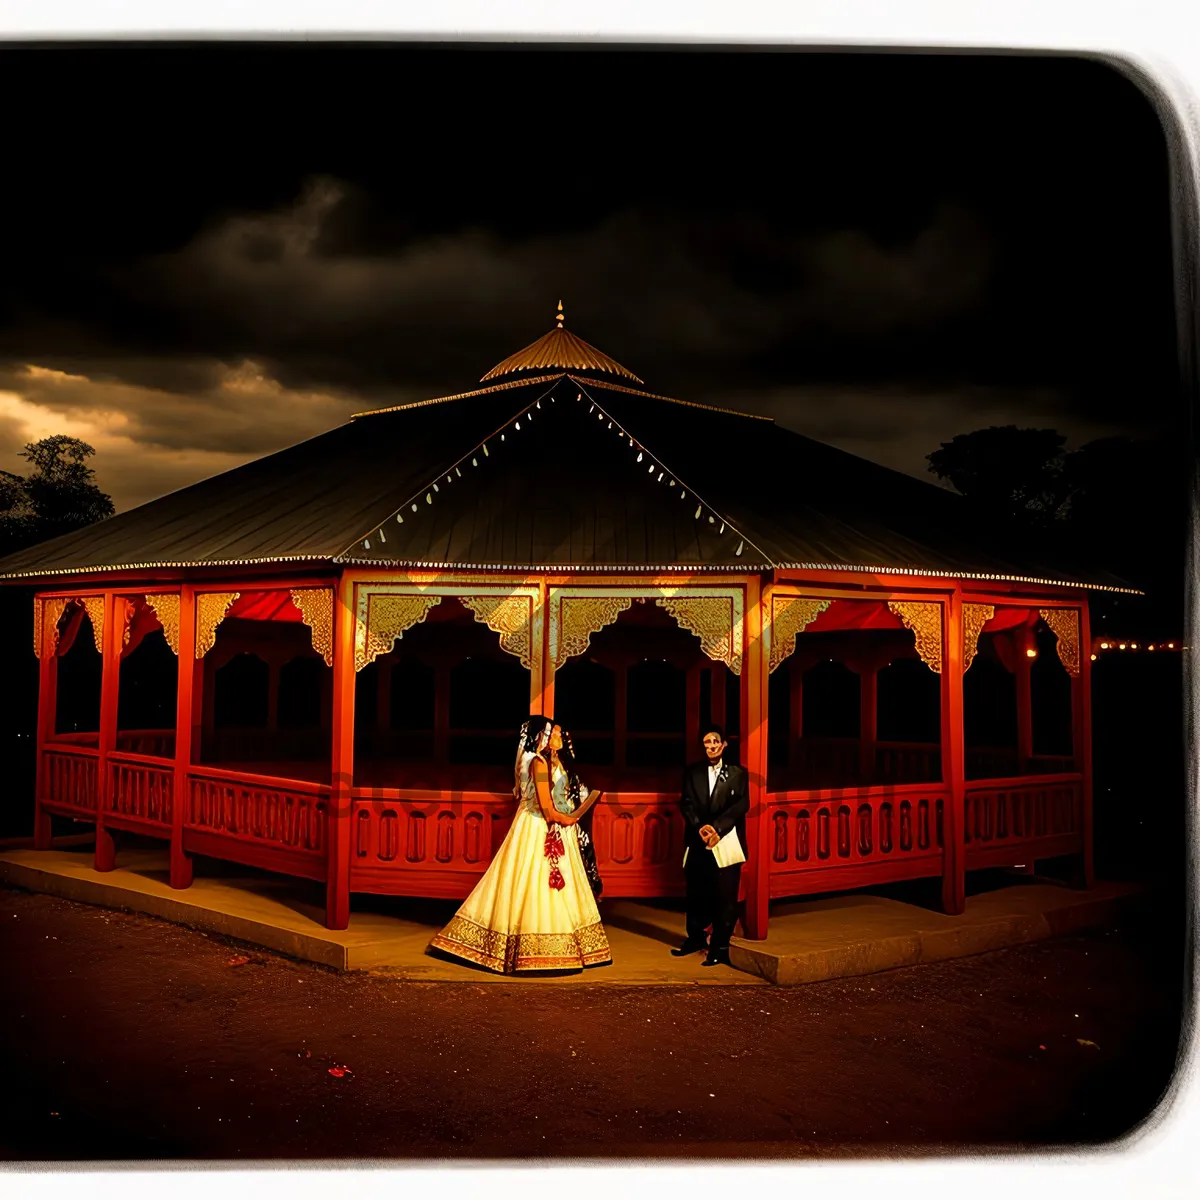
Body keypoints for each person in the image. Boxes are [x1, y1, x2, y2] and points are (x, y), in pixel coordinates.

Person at [429, 715, 612, 973]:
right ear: (540, 737)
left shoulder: (538, 761)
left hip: (542, 823)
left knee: (538, 882)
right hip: (537, 824)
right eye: (551, 734)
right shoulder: (537, 763)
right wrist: (570, 819)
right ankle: (535, 948)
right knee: (536, 881)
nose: (554, 738)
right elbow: (547, 810)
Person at [673, 723, 749, 966]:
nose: (712, 746)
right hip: (698, 838)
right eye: (707, 742)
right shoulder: (692, 772)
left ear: (724, 744)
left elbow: (741, 805)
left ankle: (720, 947)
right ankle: (695, 938)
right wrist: (700, 828)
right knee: (695, 893)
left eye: (716, 741)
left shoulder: (738, 773)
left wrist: (717, 828)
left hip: (726, 840)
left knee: (725, 895)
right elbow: (686, 803)